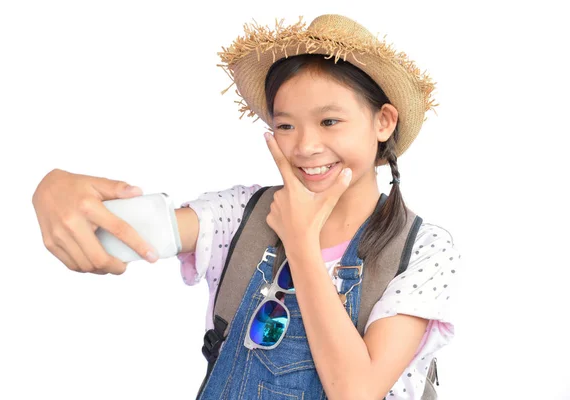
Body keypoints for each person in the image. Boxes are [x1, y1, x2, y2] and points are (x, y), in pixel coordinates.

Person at [32, 14, 462, 399]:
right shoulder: (242, 213)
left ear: (383, 122)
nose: (306, 146)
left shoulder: (422, 249)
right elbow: (112, 229)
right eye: (286, 125)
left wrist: (300, 240)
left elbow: (355, 391)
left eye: (330, 121)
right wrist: (53, 188)